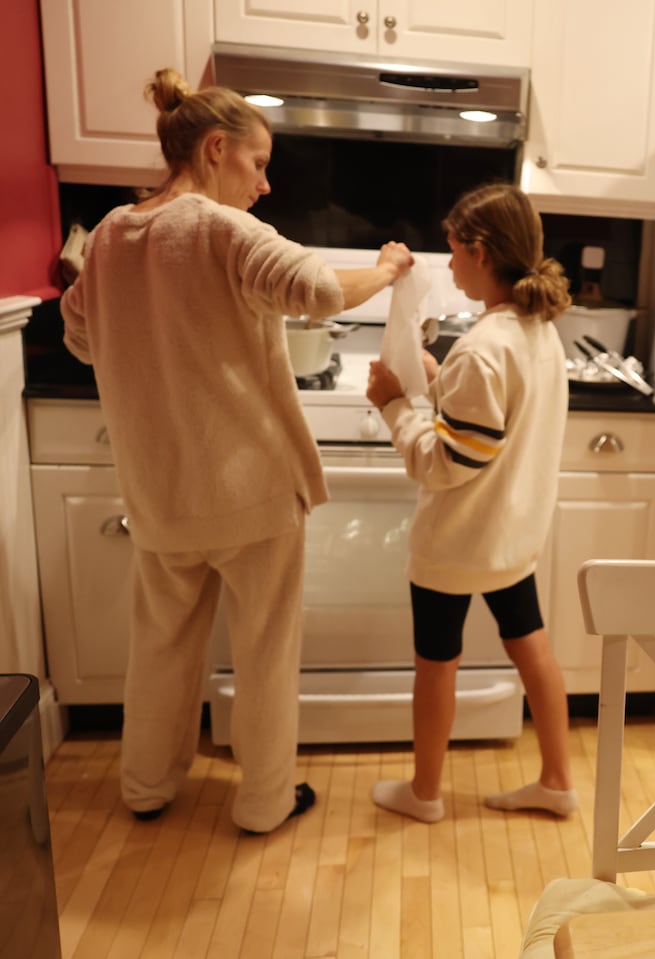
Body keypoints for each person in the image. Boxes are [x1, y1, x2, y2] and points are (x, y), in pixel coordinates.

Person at [59, 68, 413, 834]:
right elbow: (316, 290)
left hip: (159, 494)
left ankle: (146, 787)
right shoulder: (224, 230)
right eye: (257, 163)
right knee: (263, 652)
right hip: (250, 493)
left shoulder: (113, 234)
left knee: (159, 649)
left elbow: (79, 335)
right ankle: (262, 803)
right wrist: (383, 272)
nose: (264, 182)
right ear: (216, 149)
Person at [366, 183, 575, 822]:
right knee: (532, 647)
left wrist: (395, 404)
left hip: (456, 544)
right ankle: (559, 781)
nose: (449, 263)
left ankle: (425, 793)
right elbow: (489, 428)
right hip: (510, 538)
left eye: (453, 251)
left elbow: (445, 463)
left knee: (437, 663)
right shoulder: (535, 331)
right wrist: (437, 379)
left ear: (481, 253)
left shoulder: (483, 347)